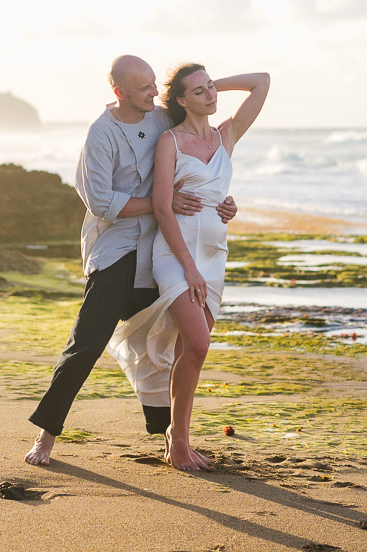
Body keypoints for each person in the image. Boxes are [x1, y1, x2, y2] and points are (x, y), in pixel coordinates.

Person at [24, 55, 237, 466]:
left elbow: (197, 163)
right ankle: (45, 437)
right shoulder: (101, 135)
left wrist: (220, 203)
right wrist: (163, 204)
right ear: (119, 92)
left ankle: (171, 439)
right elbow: (101, 202)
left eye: (155, 84)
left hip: (159, 252)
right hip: (117, 252)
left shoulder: (160, 121)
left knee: (167, 342)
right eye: (143, 88)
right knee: (85, 344)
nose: (153, 93)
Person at [108, 63, 269, 471]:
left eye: (211, 88)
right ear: (180, 101)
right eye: (198, 92)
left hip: (215, 255)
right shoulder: (169, 142)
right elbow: (163, 206)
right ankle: (178, 442)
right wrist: (189, 270)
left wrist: (216, 81)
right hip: (176, 255)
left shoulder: (226, 135)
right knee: (198, 344)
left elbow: (261, 82)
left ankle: (178, 440)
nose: (211, 96)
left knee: (189, 352)